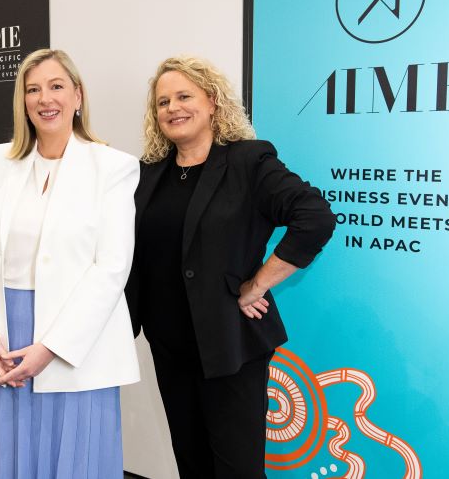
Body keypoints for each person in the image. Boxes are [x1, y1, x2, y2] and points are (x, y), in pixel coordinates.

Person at [125, 56, 336, 478]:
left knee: (236, 469)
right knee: (192, 461)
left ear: (213, 102)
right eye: (163, 101)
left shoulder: (248, 162)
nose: (173, 108)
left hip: (230, 346)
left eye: (184, 96)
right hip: (168, 345)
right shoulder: (148, 172)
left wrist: (259, 282)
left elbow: (314, 216)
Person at [0, 48, 140, 478]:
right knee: (10, 454)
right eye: (33, 89)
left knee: (73, 455)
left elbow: (112, 268)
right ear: (23, 101)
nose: (46, 99)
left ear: (78, 96)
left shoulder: (114, 166)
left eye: (57, 86)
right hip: (4, 334)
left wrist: (50, 349)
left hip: (74, 340)